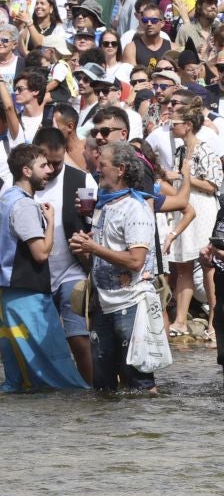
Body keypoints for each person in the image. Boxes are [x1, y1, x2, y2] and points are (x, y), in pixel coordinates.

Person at [0, 143, 85, 391]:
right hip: (26, 291)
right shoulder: (25, 205)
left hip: (3, 290)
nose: (49, 170)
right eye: (43, 165)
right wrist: (50, 222)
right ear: (26, 171)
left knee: (18, 369)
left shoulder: (4, 200)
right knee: (52, 359)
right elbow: (40, 253)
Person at [70, 141, 161, 393]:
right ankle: (106, 432)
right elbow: (101, 255)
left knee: (140, 384)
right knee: (103, 386)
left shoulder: (136, 208)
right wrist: (85, 247)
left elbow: (135, 260)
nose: (98, 171)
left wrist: (94, 249)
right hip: (103, 304)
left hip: (131, 303)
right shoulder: (103, 205)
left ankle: (144, 430)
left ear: (120, 169)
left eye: (102, 166)